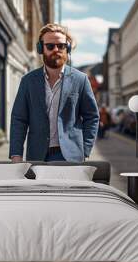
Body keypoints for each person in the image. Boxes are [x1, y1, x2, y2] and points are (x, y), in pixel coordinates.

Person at [9, 23, 99, 162]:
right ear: (41, 48)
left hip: (71, 157)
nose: (56, 49)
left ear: (67, 48)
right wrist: (16, 154)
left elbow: (92, 117)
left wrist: (85, 151)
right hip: (37, 156)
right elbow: (19, 119)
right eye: (50, 46)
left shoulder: (81, 80)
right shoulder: (28, 81)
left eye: (61, 46)